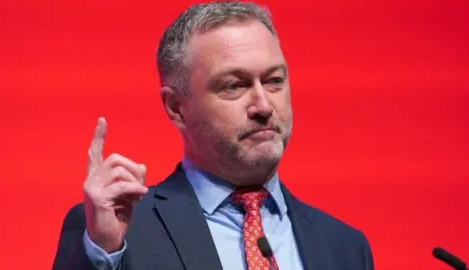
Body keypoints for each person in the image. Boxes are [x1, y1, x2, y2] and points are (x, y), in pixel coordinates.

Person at [52, 2, 374, 270]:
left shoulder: (345, 248)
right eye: (234, 86)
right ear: (177, 107)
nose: (263, 105)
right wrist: (102, 251)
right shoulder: (118, 233)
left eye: (274, 80)